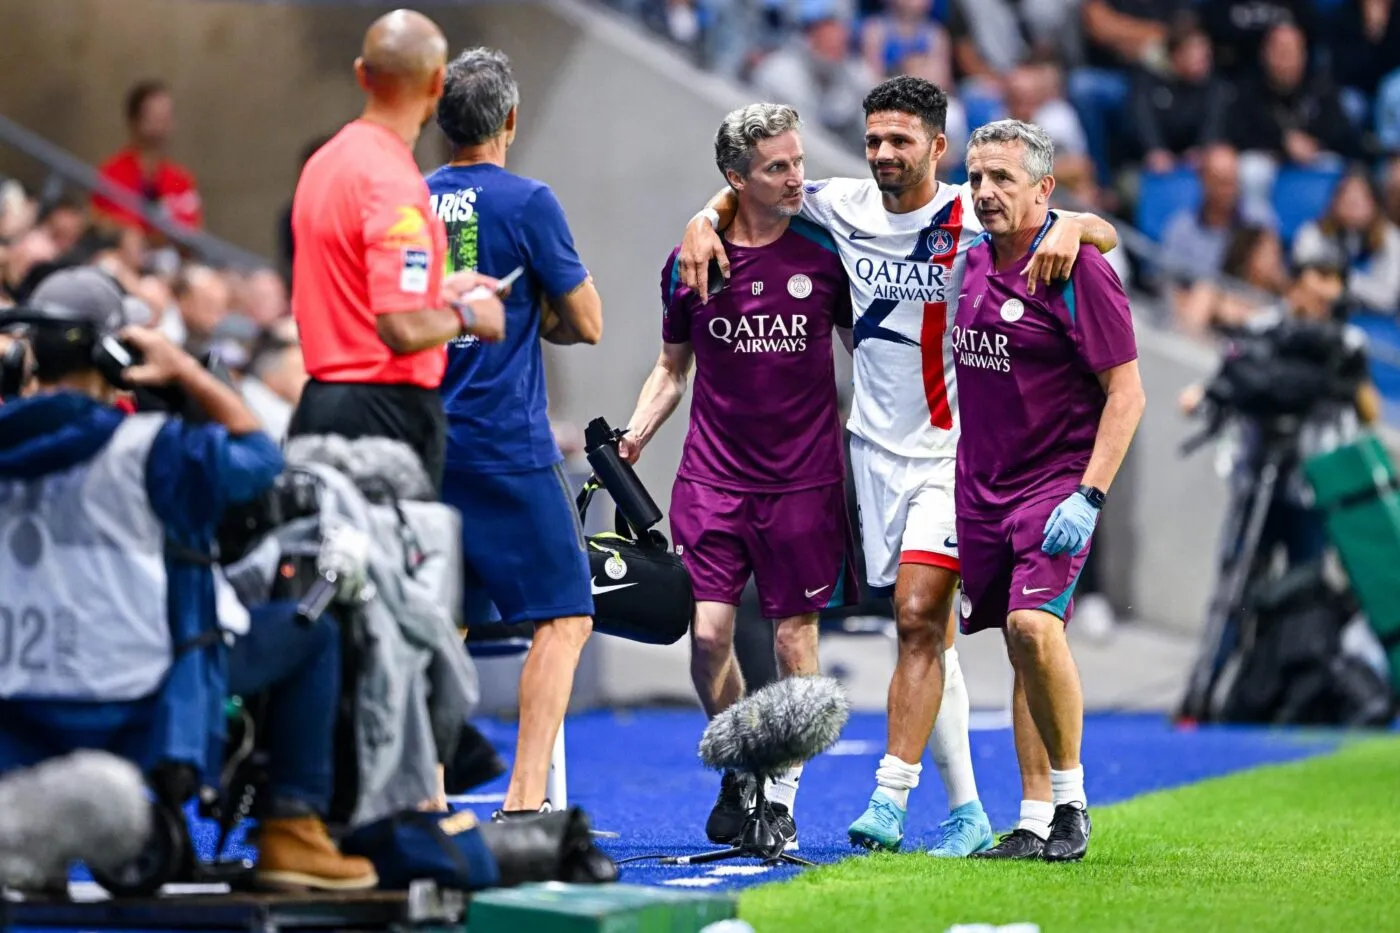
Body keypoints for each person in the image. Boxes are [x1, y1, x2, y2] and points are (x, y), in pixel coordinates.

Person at [675, 77, 1120, 856]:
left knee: (918, 615)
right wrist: (700, 219)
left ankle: (897, 793)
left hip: (952, 454)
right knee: (928, 633)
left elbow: (1080, 226)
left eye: (900, 141)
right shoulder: (837, 204)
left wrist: (1077, 224)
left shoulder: (972, 214)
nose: (883, 153)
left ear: (937, 148)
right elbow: (754, 191)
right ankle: (968, 808)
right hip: (871, 454)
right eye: (874, 139)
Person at [0, 267, 377, 889]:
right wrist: (190, 374)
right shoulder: (150, 449)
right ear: (114, 352)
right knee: (313, 632)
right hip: (131, 691)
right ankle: (292, 830)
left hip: (21, 695)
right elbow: (260, 461)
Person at [619, 103, 858, 848]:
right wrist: (635, 432)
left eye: (798, 161)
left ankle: (779, 800)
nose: (797, 178)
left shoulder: (824, 255)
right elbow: (671, 368)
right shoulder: (691, 263)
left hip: (805, 484)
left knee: (794, 643)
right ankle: (745, 765)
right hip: (714, 479)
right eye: (777, 167)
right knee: (707, 636)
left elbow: (869, 356)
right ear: (735, 178)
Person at [954, 119, 1146, 861]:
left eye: (1003, 178)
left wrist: (1089, 495)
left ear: (1043, 189)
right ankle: (1033, 818)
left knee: (1036, 628)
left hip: (1054, 485)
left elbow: (1126, 395)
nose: (985, 192)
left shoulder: (1076, 268)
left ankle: (1072, 803)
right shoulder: (969, 257)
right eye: (976, 178)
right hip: (982, 487)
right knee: (1018, 644)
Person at [424, 48, 603, 816]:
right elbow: (589, 322)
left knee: (438, 619)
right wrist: (540, 314)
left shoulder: (410, 199)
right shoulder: (529, 202)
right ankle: (525, 798)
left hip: (423, 445)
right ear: (510, 120)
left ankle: (426, 797)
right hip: (505, 445)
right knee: (566, 615)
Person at [286, 8, 506, 494]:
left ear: (362, 74)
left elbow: (352, 279)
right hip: (382, 421)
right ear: (437, 83)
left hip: (320, 406)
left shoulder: (324, 163)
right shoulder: (392, 181)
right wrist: (472, 315)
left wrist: (438, 289)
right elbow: (401, 327)